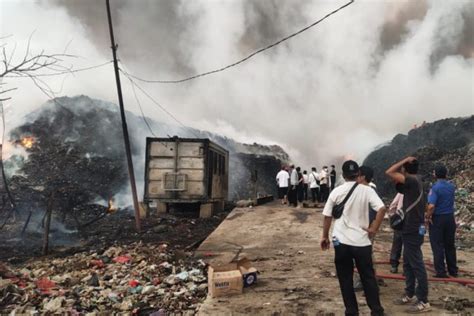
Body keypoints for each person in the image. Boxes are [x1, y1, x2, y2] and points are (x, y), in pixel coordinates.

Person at [321, 160, 386, 316]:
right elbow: (382, 208)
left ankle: (351, 311)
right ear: (358, 174)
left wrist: (325, 237)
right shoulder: (367, 190)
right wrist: (373, 229)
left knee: (345, 279)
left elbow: (327, 216)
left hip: (341, 242)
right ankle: (376, 311)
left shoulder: (336, 192)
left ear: (343, 175)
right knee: (368, 278)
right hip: (362, 242)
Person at [386, 157, 430, 313]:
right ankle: (409, 293)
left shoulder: (410, 180)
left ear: (405, 169)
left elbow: (389, 171)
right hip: (412, 226)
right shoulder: (418, 179)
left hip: (412, 227)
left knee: (416, 263)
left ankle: (423, 300)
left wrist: (404, 159)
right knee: (408, 262)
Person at [426, 164, 458, 278]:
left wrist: (427, 217)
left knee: (437, 245)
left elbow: (431, 206)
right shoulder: (451, 186)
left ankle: (441, 271)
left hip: (438, 219)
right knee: (450, 245)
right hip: (450, 217)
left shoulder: (435, 188)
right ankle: (453, 270)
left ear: (435, 174)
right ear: (446, 174)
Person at [388, 186, 404, 274]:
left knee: (397, 243)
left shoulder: (401, 192)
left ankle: (394, 266)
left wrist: (393, 216)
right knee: (409, 246)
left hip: (400, 221)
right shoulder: (418, 191)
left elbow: (393, 205)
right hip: (412, 222)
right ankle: (407, 268)